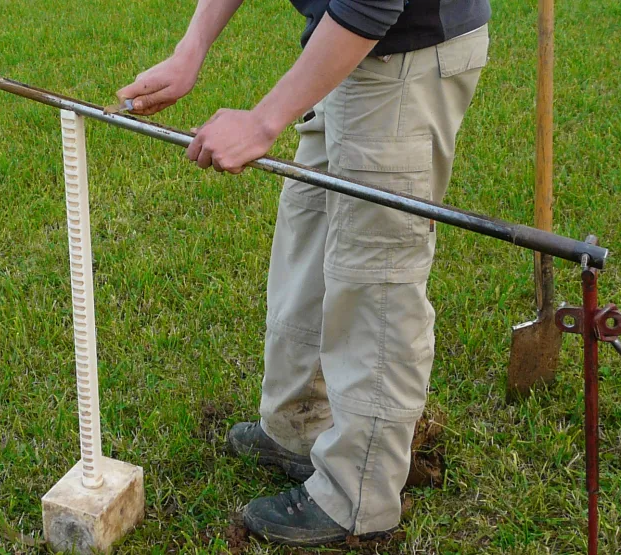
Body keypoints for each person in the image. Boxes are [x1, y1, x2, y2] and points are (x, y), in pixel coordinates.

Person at [117, 0, 490, 546]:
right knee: (308, 231)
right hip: (345, 48)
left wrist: (263, 121)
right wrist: (190, 49)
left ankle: (358, 495)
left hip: (403, 53)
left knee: (375, 273)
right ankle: (300, 427)